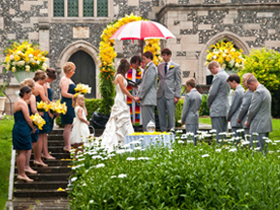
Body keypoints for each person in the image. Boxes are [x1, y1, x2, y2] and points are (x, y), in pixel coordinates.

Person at [101, 58, 136, 151]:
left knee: (124, 119)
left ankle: (125, 139)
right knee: (120, 118)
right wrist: (132, 97)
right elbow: (123, 89)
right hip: (120, 99)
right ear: (124, 68)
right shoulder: (119, 76)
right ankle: (119, 140)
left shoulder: (122, 76)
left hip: (123, 99)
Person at [13, 86, 36, 182]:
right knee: (23, 151)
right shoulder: (22, 103)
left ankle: (21, 173)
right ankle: (22, 174)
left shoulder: (17, 101)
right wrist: (33, 127)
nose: (30, 96)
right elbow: (27, 118)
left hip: (18, 127)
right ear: (25, 94)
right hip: (23, 128)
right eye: (30, 94)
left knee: (20, 152)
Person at [245, 76, 272, 152]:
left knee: (257, 151)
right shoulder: (266, 90)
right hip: (265, 124)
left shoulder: (258, 92)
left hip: (258, 125)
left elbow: (252, 110)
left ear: (252, 83)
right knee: (263, 151)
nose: (249, 89)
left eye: (249, 87)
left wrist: (248, 121)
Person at [157, 48, 181, 132]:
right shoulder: (159, 66)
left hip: (171, 93)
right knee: (161, 114)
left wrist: (177, 95)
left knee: (171, 114)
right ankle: (163, 131)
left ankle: (172, 131)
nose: (163, 57)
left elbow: (178, 81)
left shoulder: (176, 66)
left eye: (164, 55)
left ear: (169, 55)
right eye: (162, 55)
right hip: (160, 93)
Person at [207, 61, 230, 142]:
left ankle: (219, 150)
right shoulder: (227, 75)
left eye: (211, 71)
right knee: (224, 133)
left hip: (217, 108)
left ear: (213, 68)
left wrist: (208, 103)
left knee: (218, 134)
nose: (211, 73)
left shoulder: (218, 76)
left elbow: (212, 93)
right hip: (225, 107)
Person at [135, 51, 158, 131]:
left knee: (148, 122)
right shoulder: (148, 68)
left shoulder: (152, 68)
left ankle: (149, 139)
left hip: (148, 99)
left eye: (144, 59)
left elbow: (147, 84)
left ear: (149, 58)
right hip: (146, 99)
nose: (143, 61)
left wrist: (140, 96)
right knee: (146, 121)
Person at [20, 79, 38, 174]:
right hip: (30, 120)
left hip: (22, 121)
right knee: (30, 144)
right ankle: (27, 165)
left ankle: (24, 166)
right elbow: (34, 110)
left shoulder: (21, 98)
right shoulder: (32, 97)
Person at [32, 70, 49, 167]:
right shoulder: (40, 87)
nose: (45, 83)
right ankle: (38, 158)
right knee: (40, 136)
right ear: (40, 79)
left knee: (36, 136)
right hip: (41, 113)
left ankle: (37, 158)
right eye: (44, 80)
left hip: (33, 112)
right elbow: (45, 100)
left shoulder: (31, 86)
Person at [60, 62, 76, 152]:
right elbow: (64, 93)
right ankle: (67, 146)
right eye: (73, 71)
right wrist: (75, 96)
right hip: (67, 104)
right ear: (69, 71)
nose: (74, 72)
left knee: (70, 124)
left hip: (71, 103)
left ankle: (69, 145)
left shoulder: (68, 79)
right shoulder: (65, 80)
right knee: (68, 125)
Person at [41, 68, 57, 160]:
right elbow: (45, 99)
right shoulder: (43, 85)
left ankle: (45, 152)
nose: (51, 81)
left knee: (46, 133)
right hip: (46, 108)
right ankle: (45, 152)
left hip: (49, 107)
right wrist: (49, 111)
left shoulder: (47, 84)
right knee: (44, 133)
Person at [181, 78, 202, 146]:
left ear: (189, 85)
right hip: (196, 116)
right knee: (196, 135)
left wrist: (182, 119)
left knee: (190, 136)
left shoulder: (188, 95)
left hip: (189, 118)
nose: (187, 88)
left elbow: (185, 109)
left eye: (186, 87)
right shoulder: (199, 95)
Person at [126, 55, 143, 131]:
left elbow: (143, 84)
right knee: (129, 112)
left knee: (137, 112)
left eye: (137, 64)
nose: (135, 65)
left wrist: (137, 86)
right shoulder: (127, 71)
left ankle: (136, 128)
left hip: (137, 95)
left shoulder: (141, 71)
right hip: (129, 95)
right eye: (134, 63)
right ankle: (130, 128)